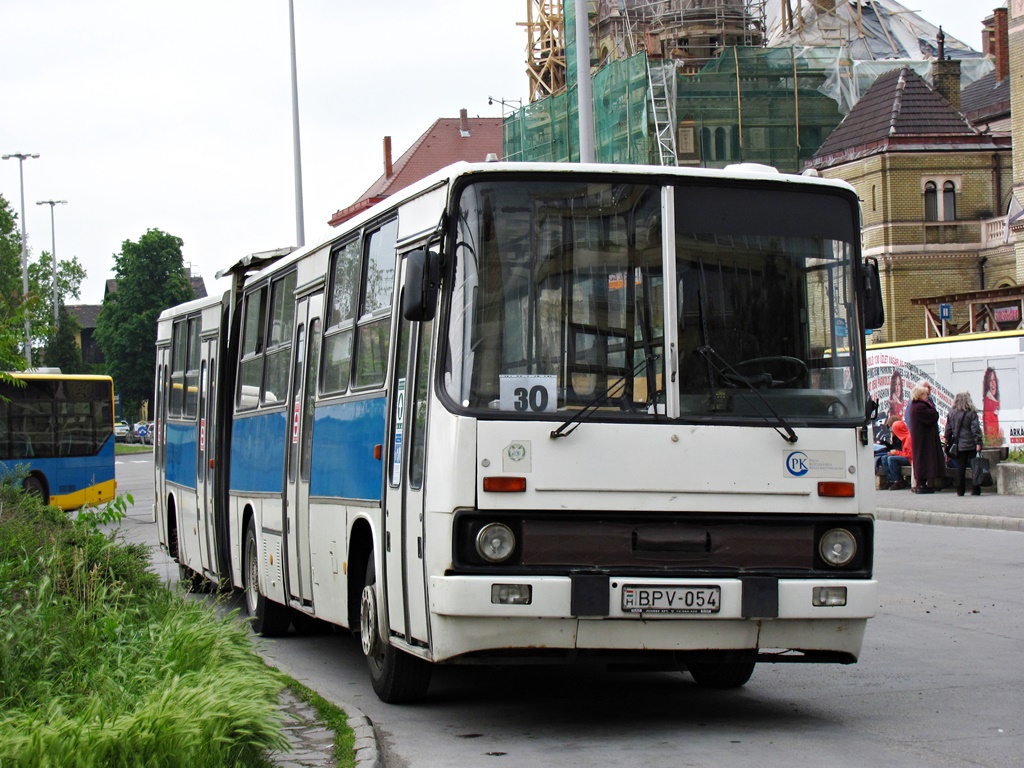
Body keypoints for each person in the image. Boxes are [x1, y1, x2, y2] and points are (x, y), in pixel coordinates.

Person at [944, 391, 985, 496]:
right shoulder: (971, 413)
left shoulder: (952, 413)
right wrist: (978, 442)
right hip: (971, 444)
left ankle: (960, 490)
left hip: (959, 445)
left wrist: (948, 440)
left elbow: (948, 429)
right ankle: (976, 489)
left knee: (960, 467)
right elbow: (975, 429)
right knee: (974, 466)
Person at [906, 384, 945, 493]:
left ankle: (923, 483)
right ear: (920, 395)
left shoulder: (916, 406)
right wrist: (933, 410)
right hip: (923, 439)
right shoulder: (920, 407)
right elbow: (933, 416)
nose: (927, 396)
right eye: (924, 394)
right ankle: (921, 484)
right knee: (923, 460)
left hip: (922, 438)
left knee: (923, 459)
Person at [879, 419, 911, 490]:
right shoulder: (902, 437)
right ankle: (891, 480)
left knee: (891, 459)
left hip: (910, 460)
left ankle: (898, 481)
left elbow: (910, 455)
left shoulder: (908, 438)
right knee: (884, 457)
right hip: (904, 456)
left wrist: (896, 452)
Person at [982, 367, 1000, 445]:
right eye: (990, 381)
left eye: (994, 380)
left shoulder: (994, 402)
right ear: (987, 384)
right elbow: (990, 432)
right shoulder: (988, 403)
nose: (993, 383)